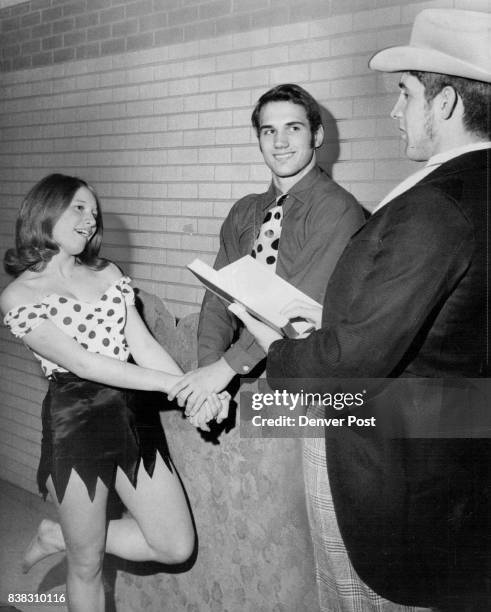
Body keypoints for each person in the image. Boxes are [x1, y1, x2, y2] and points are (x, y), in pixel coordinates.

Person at [230, 8, 491, 612]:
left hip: (381, 444)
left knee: (350, 593)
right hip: (440, 432)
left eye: (406, 93)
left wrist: (272, 353)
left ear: (447, 103)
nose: (396, 110)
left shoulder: (433, 207)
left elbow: (345, 364)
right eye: (267, 131)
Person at [0, 174, 228, 612]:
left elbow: (141, 345)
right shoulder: (18, 296)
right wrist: (173, 386)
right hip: (78, 422)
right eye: (78, 208)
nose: (90, 219)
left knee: (175, 544)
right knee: (85, 565)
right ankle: (68, 540)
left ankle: (56, 535)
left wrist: (193, 393)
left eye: (93, 210)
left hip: (132, 417)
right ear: (44, 211)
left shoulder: (108, 273)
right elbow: (84, 364)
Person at [169, 83, 364, 418]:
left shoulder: (338, 210)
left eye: (294, 128)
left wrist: (222, 372)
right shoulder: (244, 212)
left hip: (307, 385)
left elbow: (291, 309)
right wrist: (209, 377)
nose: (280, 142)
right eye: (269, 130)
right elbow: (218, 299)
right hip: (242, 375)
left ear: (317, 136)